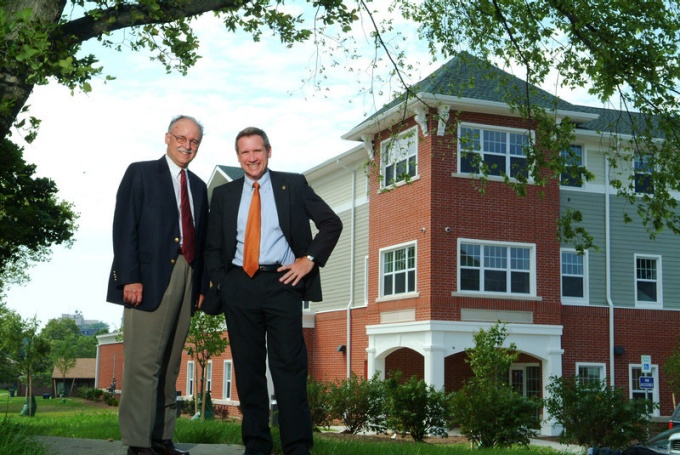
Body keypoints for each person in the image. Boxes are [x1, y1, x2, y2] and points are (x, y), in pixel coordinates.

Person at [205, 127, 342, 455]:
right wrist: (225, 284)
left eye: (257, 151)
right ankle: (256, 444)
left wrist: (308, 261)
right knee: (248, 368)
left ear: (268, 151)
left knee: (289, 368)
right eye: (245, 153)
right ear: (238, 156)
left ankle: (297, 446)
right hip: (239, 286)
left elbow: (330, 223)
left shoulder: (293, 184)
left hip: (282, 284)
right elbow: (212, 248)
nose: (252, 158)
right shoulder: (224, 195)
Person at [107, 115, 209, 455]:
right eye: (181, 138)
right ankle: (138, 443)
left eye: (194, 141)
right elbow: (124, 228)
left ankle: (161, 437)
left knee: (170, 365)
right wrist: (130, 277)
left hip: (186, 275)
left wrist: (200, 286)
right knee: (143, 363)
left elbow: (202, 238)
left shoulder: (197, 186)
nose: (187, 146)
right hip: (147, 280)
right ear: (167, 138)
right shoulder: (140, 173)